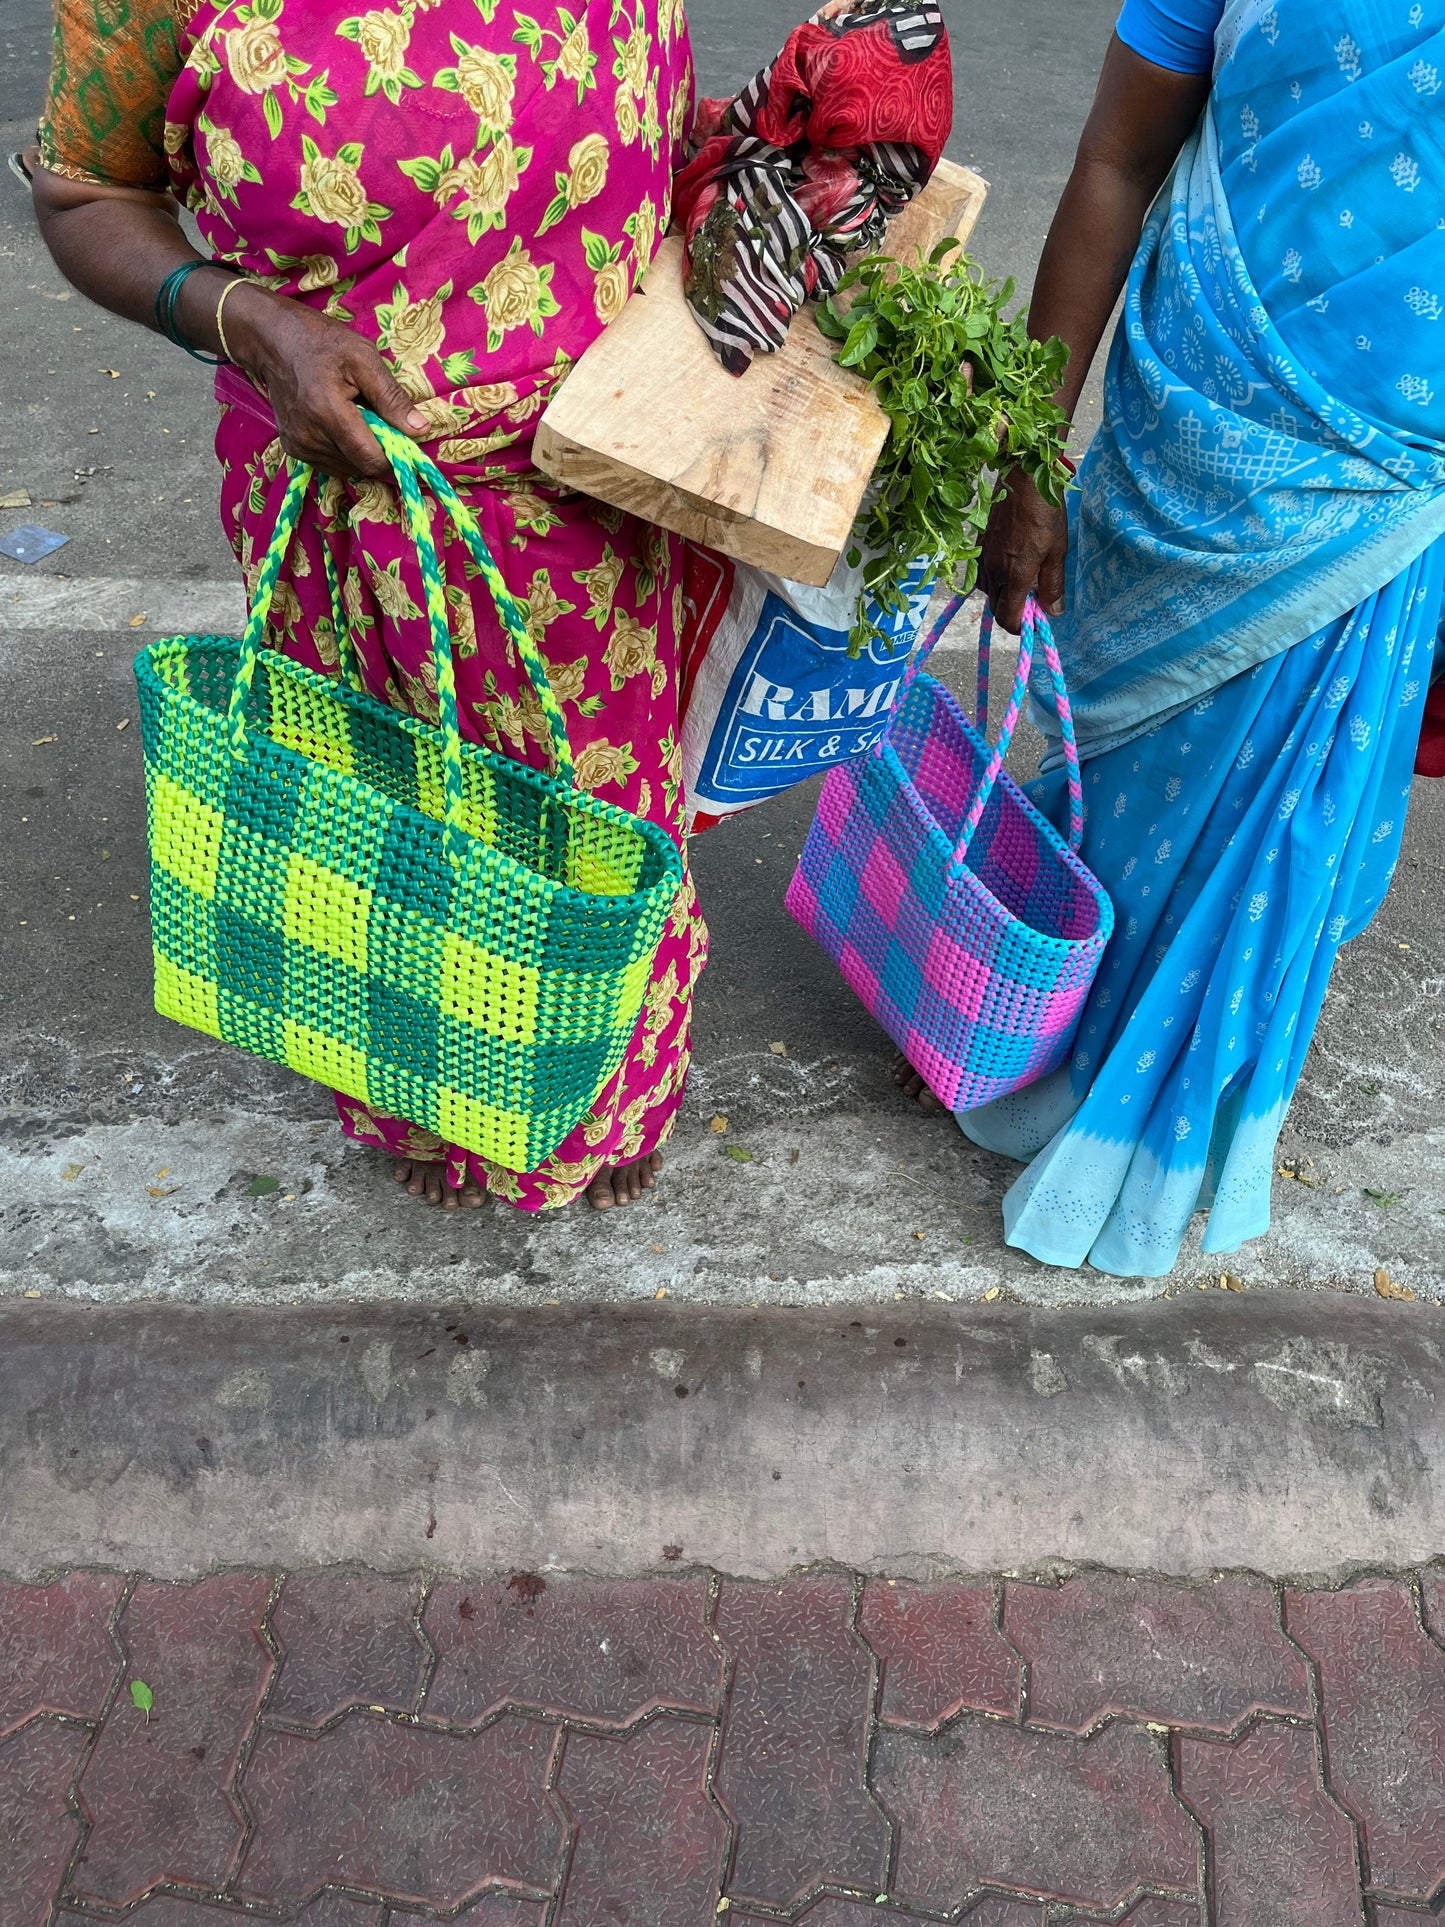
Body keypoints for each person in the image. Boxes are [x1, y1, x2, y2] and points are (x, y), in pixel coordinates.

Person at [30, 0, 708, 1212]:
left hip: (589, 497)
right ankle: (421, 1095)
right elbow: (84, 196)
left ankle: (597, 1082)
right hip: (340, 493)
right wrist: (256, 324)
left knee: (585, 815)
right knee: (384, 827)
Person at [898, 0, 1445, 1275]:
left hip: (1378, 481)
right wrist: (1025, 463)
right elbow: (1113, 159)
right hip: (1186, 424)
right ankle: (1026, 1033)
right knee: (1124, 769)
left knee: (1273, 810)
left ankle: (1153, 1118)